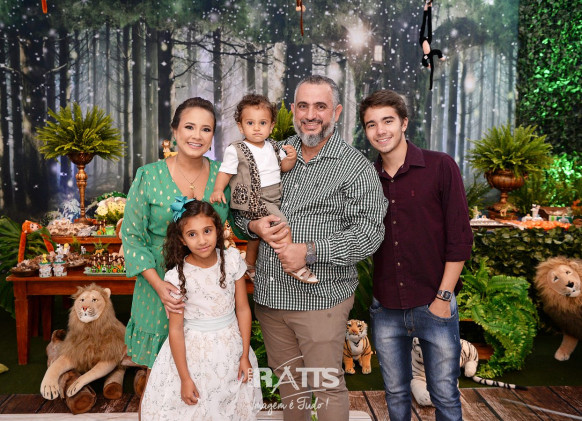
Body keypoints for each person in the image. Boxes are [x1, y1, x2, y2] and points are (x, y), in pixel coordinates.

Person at [237, 75, 387, 421]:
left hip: (320, 301)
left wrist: (310, 251)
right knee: (290, 386)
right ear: (292, 110)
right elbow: (241, 209)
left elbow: (369, 233)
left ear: (336, 112)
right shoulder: (270, 154)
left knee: (326, 386)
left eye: (320, 106)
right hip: (271, 300)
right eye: (303, 106)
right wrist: (252, 226)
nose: (310, 114)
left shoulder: (355, 167)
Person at [359, 89, 473, 421]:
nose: (380, 130)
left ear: (404, 123)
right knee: (395, 393)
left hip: (435, 302)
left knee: (445, 394)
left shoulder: (440, 166)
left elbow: (460, 238)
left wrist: (443, 297)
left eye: (388, 121)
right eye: (371, 124)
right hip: (386, 307)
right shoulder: (367, 179)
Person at [121, 97, 239, 410]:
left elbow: (243, 220)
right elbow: (131, 238)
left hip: (207, 289)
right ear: (174, 131)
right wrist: (159, 286)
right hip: (159, 287)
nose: (197, 135)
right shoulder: (148, 176)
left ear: (213, 136)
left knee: (207, 374)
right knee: (158, 381)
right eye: (189, 127)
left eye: (206, 129)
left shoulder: (223, 176)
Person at [140, 198, 262, 420]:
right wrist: (185, 379)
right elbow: (176, 329)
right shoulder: (177, 277)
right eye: (192, 234)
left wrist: (244, 355)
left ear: (217, 230)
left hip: (230, 349)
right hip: (194, 355)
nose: (202, 240)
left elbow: (243, 310)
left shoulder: (232, 261)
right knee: (196, 409)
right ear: (182, 239)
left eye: (207, 231)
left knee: (229, 406)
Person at [210, 93, 317, 284]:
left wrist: (291, 159)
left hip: (273, 196)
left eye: (263, 123)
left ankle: (249, 264)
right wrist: (218, 189)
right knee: (282, 226)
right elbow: (225, 172)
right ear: (240, 126)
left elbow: (282, 168)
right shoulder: (236, 149)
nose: (257, 128)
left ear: (271, 126)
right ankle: (293, 265)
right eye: (250, 123)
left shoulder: (273, 147)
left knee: (257, 236)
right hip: (254, 199)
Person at [419, 1, 445, 90]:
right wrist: (441, 57)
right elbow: (438, 51)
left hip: (422, 39)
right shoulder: (431, 53)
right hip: (428, 39)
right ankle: (429, 5)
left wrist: (427, 65)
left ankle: (427, 6)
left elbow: (423, 61)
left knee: (424, 22)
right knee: (429, 22)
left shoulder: (426, 56)